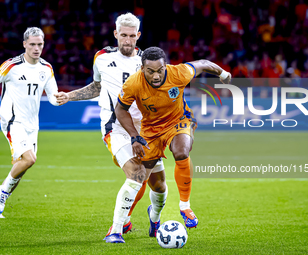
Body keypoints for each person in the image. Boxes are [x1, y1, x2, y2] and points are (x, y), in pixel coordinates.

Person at [55, 13, 167, 244]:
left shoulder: (147, 62)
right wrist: (70, 96)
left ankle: (154, 219)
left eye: (132, 36)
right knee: (136, 175)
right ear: (116, 34)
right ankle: (115, 230)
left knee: (159, 185)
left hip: (145, 129)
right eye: (123, 35)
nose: (127, 40)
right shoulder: (102, 57)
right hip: (114, 127)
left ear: (138, 35)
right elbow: (97, 87)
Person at [116, 46, 231, 233]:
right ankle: (127, 218)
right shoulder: (133, 83)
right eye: (150, 71)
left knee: (181, 151)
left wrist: (223, 73)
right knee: (140, 179)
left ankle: (185, 206)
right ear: (142, 68)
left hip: (179, 121)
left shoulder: (178, 73)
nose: (156, 76)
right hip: (150, 130)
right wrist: (135, 137)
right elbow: (120, 110)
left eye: (160, 70)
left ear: (165, 66)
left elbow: (203, 64)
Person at [0, 27, 59, 218]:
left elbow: (53, 97)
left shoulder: (46, 68)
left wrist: (65, 97)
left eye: (39, 44)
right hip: (12, 119)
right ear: (24, 44)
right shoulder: (11, 66)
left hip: (32, 124)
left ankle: (2, 197)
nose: (36, 48)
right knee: (29, 158)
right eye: (32, 44)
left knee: (24, 165)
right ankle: (1, 194)